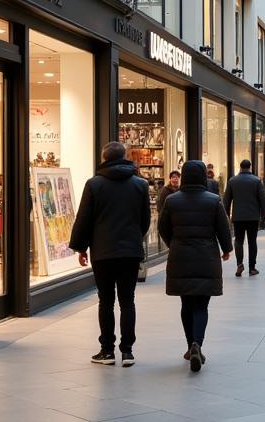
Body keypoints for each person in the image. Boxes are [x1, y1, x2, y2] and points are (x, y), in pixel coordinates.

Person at [69, 141, 151, 367]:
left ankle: (107, 350)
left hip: (103, 252)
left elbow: (83, 218)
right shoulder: (140, 185)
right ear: (125, 156)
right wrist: (134, 236)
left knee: (105, 301)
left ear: (104, 159)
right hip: (130, 252)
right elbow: (145, 221)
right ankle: (128, 351)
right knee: (128, 301)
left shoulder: (94, 184)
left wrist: (80, 247)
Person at [158, 159, 233, 371]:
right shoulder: (213, 200)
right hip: (206, 256)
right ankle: (197, 344)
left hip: (180, 255)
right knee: (201, 304)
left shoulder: (172, 200)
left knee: (186, 303)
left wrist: (173, 242)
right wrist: (226, 248)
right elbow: (223, 228)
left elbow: (163, 227)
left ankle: (189, 343)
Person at [223, 159, 265, 277]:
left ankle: (239, 264)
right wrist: (264, 216)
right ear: (250, 167)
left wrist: (227, 215)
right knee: (252, 241)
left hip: (238, 217)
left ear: (240, 167)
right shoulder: (257, 181)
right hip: (253, 217)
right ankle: (252, 268)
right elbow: (263, 199)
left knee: (238, 240)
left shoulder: (232, 181)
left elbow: (226, 200)